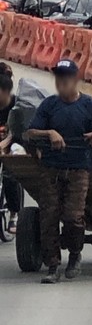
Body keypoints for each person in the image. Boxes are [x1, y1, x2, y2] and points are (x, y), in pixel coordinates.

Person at [23, 59, 92, 284]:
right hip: (51, 168)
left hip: (78, 168)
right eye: (58, 78)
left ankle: (75, 253)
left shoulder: (89, 105)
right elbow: (30, 132)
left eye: (66, 78)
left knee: (72, 216)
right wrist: (49, 133)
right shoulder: (49, 105)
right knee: (48, 216)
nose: (61, 83)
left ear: (75, 80)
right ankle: (52, 265)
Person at [0, 63, 19, 238]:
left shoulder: (16, 106)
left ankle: (14, 213)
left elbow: (15, 132)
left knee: (10, 176)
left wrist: (4, 143)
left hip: (11, 144)